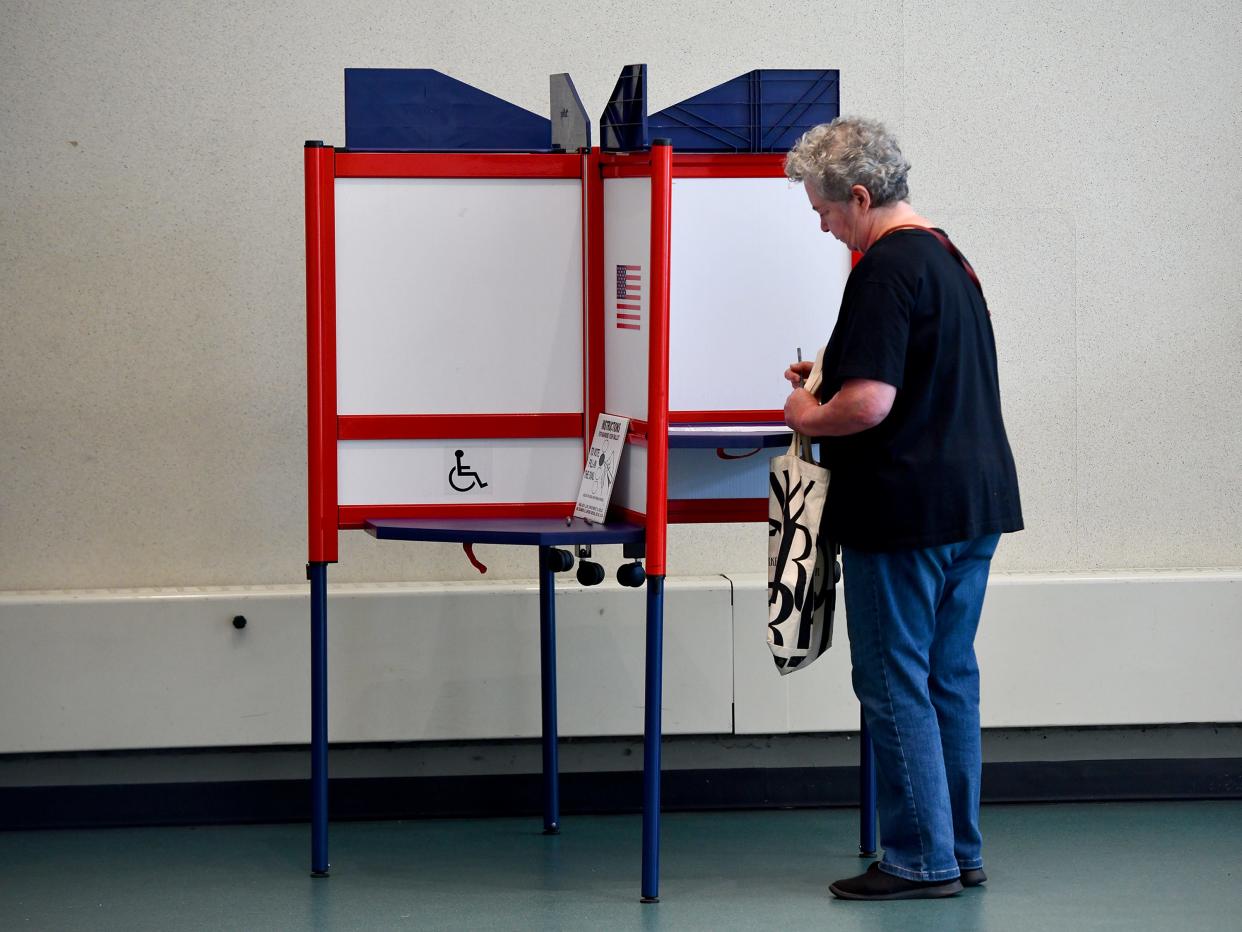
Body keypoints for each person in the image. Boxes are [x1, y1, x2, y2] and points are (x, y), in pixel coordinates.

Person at [781, 117, 1023, 901]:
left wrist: (803, 411)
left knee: (893, 683)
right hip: (974, 503)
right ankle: (959, 848)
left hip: (904, 512)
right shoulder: (951, 260)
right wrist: (832, 376)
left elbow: (869, 405)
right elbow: (916, 376)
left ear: (859, 196)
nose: (821, 225)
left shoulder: (883, 267)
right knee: (949, 678)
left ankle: (919, 859)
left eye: (824, 210)